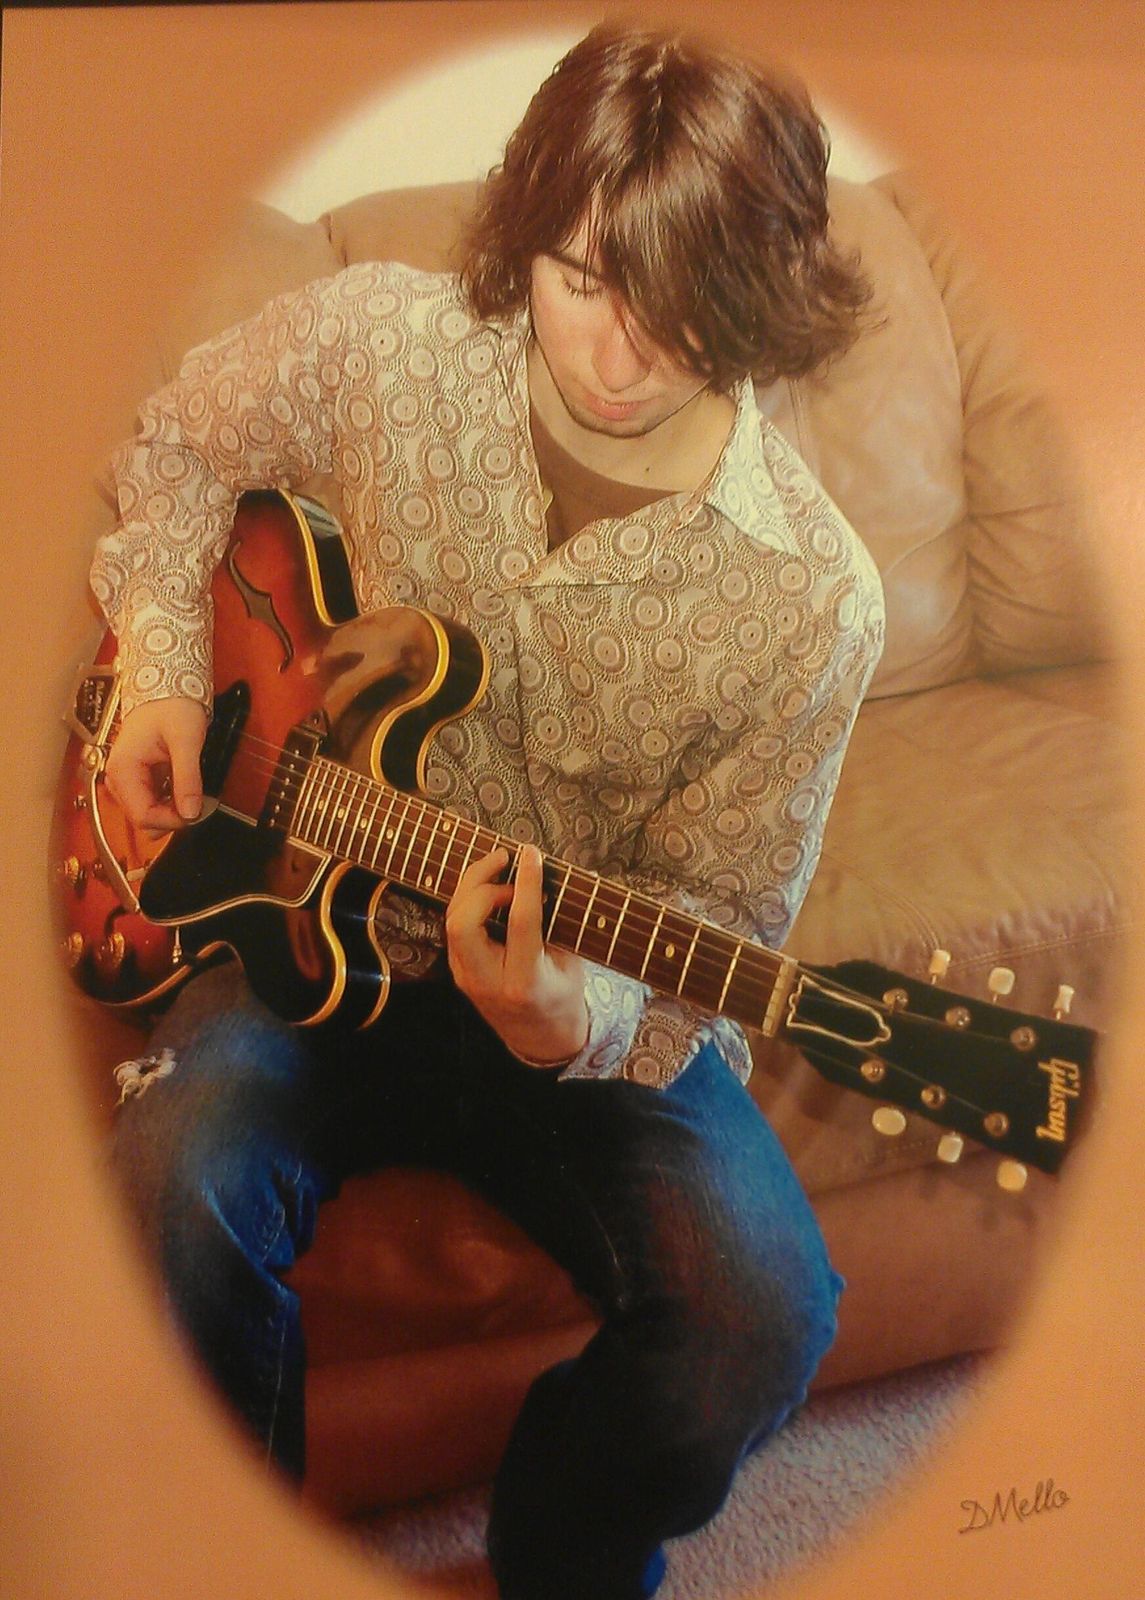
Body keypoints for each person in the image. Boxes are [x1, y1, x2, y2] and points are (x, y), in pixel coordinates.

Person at [91, 23, 885, 1600]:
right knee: (172, 1176)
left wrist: (572, 1017)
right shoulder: (386, 344)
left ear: (760, 300)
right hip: (300, 916)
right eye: (581, 278)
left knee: (763, 1314)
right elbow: (176, 446)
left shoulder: (812, 596)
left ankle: (560, 1549)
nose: (613, 355)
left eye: (679, 310)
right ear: (531, 229)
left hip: (572, 997)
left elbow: (721, 919)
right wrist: (168, 669)